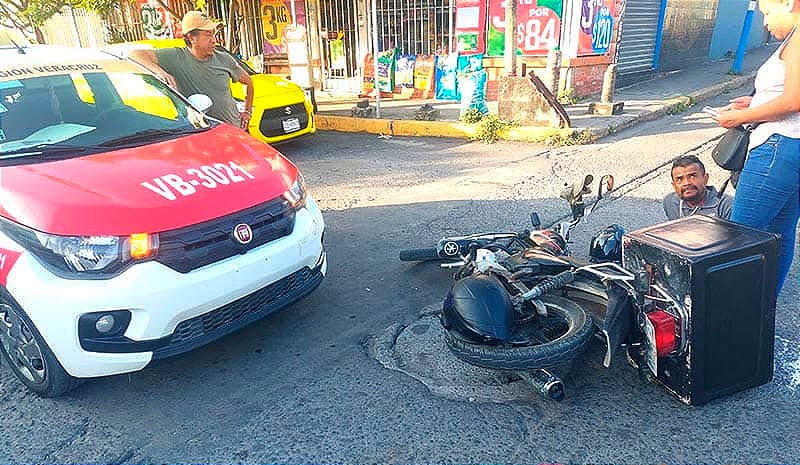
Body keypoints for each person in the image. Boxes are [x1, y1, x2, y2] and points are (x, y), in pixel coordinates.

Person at [713, 0, 800, 295]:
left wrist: (739, 117)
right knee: (780, 234)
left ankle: (730, 311)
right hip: (792, 148)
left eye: (768, 12)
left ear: (789, 3)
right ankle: (761, 311)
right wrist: (756, 102)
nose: (765, 23)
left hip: (778, 147)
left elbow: (794, 101)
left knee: (739, 236)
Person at [130, 11, 254, 129]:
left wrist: (247, 111)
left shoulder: (224, 59)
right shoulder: (175, 57)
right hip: (202, 134)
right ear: (191, 38)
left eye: (213, 34)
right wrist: (160, 72)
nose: (214, 40)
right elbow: (136, 54)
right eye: (208, 35)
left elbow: (248, 82)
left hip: (234, 131)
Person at [663, 155, 734, 220]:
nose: (686, 183)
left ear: (705, 178)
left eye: (692, 176)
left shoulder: (726, 205)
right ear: (674, 185)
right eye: (679, 179)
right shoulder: (670, 202)